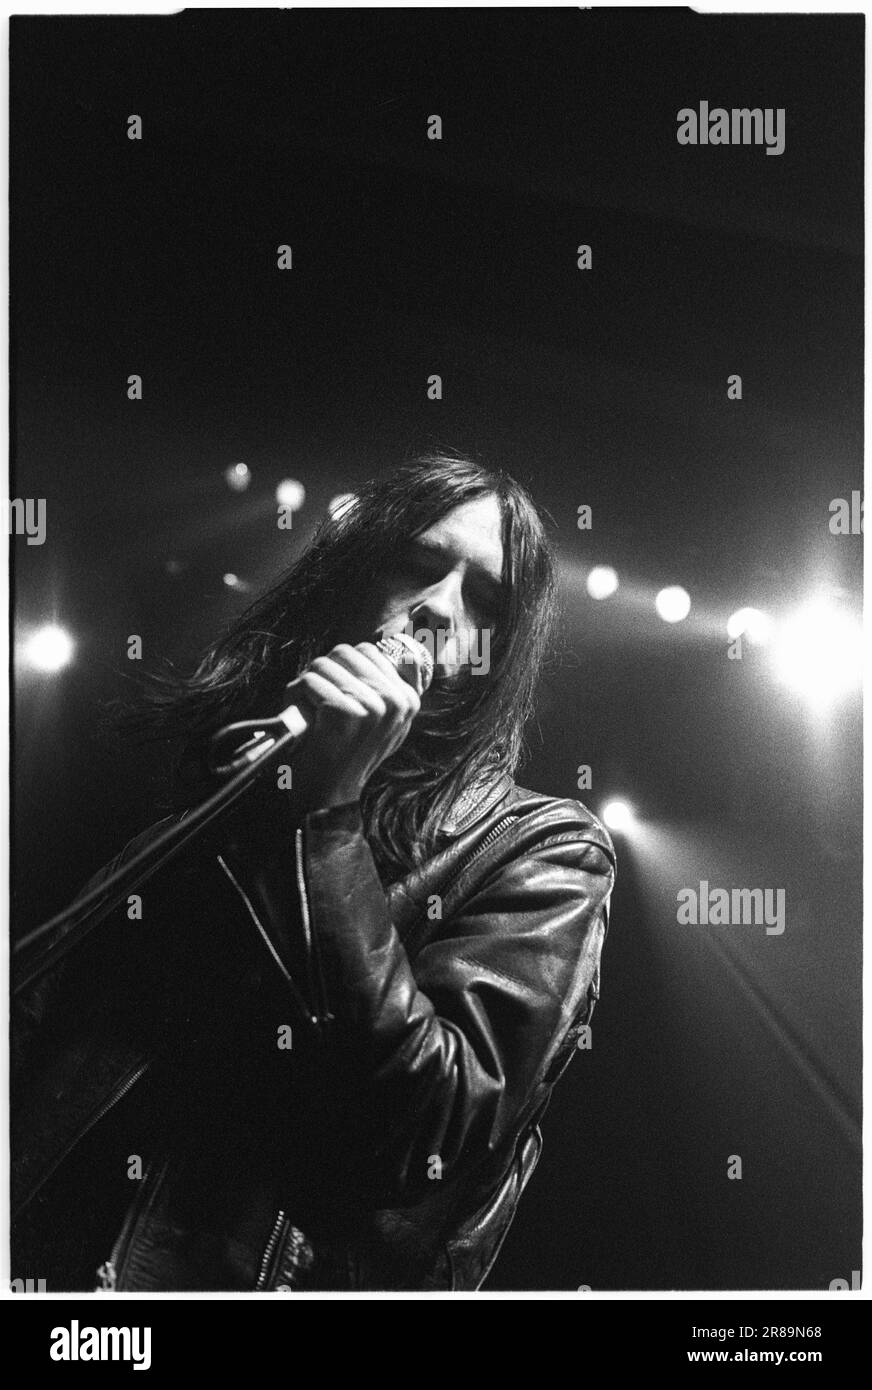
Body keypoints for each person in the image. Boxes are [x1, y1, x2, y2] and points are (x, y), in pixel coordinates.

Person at [12, 451, 616, 1292]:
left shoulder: (541, 849)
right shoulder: (231, 783)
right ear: (353, 576)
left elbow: (428, 1138)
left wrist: (329, 823)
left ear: (500, 651)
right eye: (417, 564)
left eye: (483, 597)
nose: (439, 609)